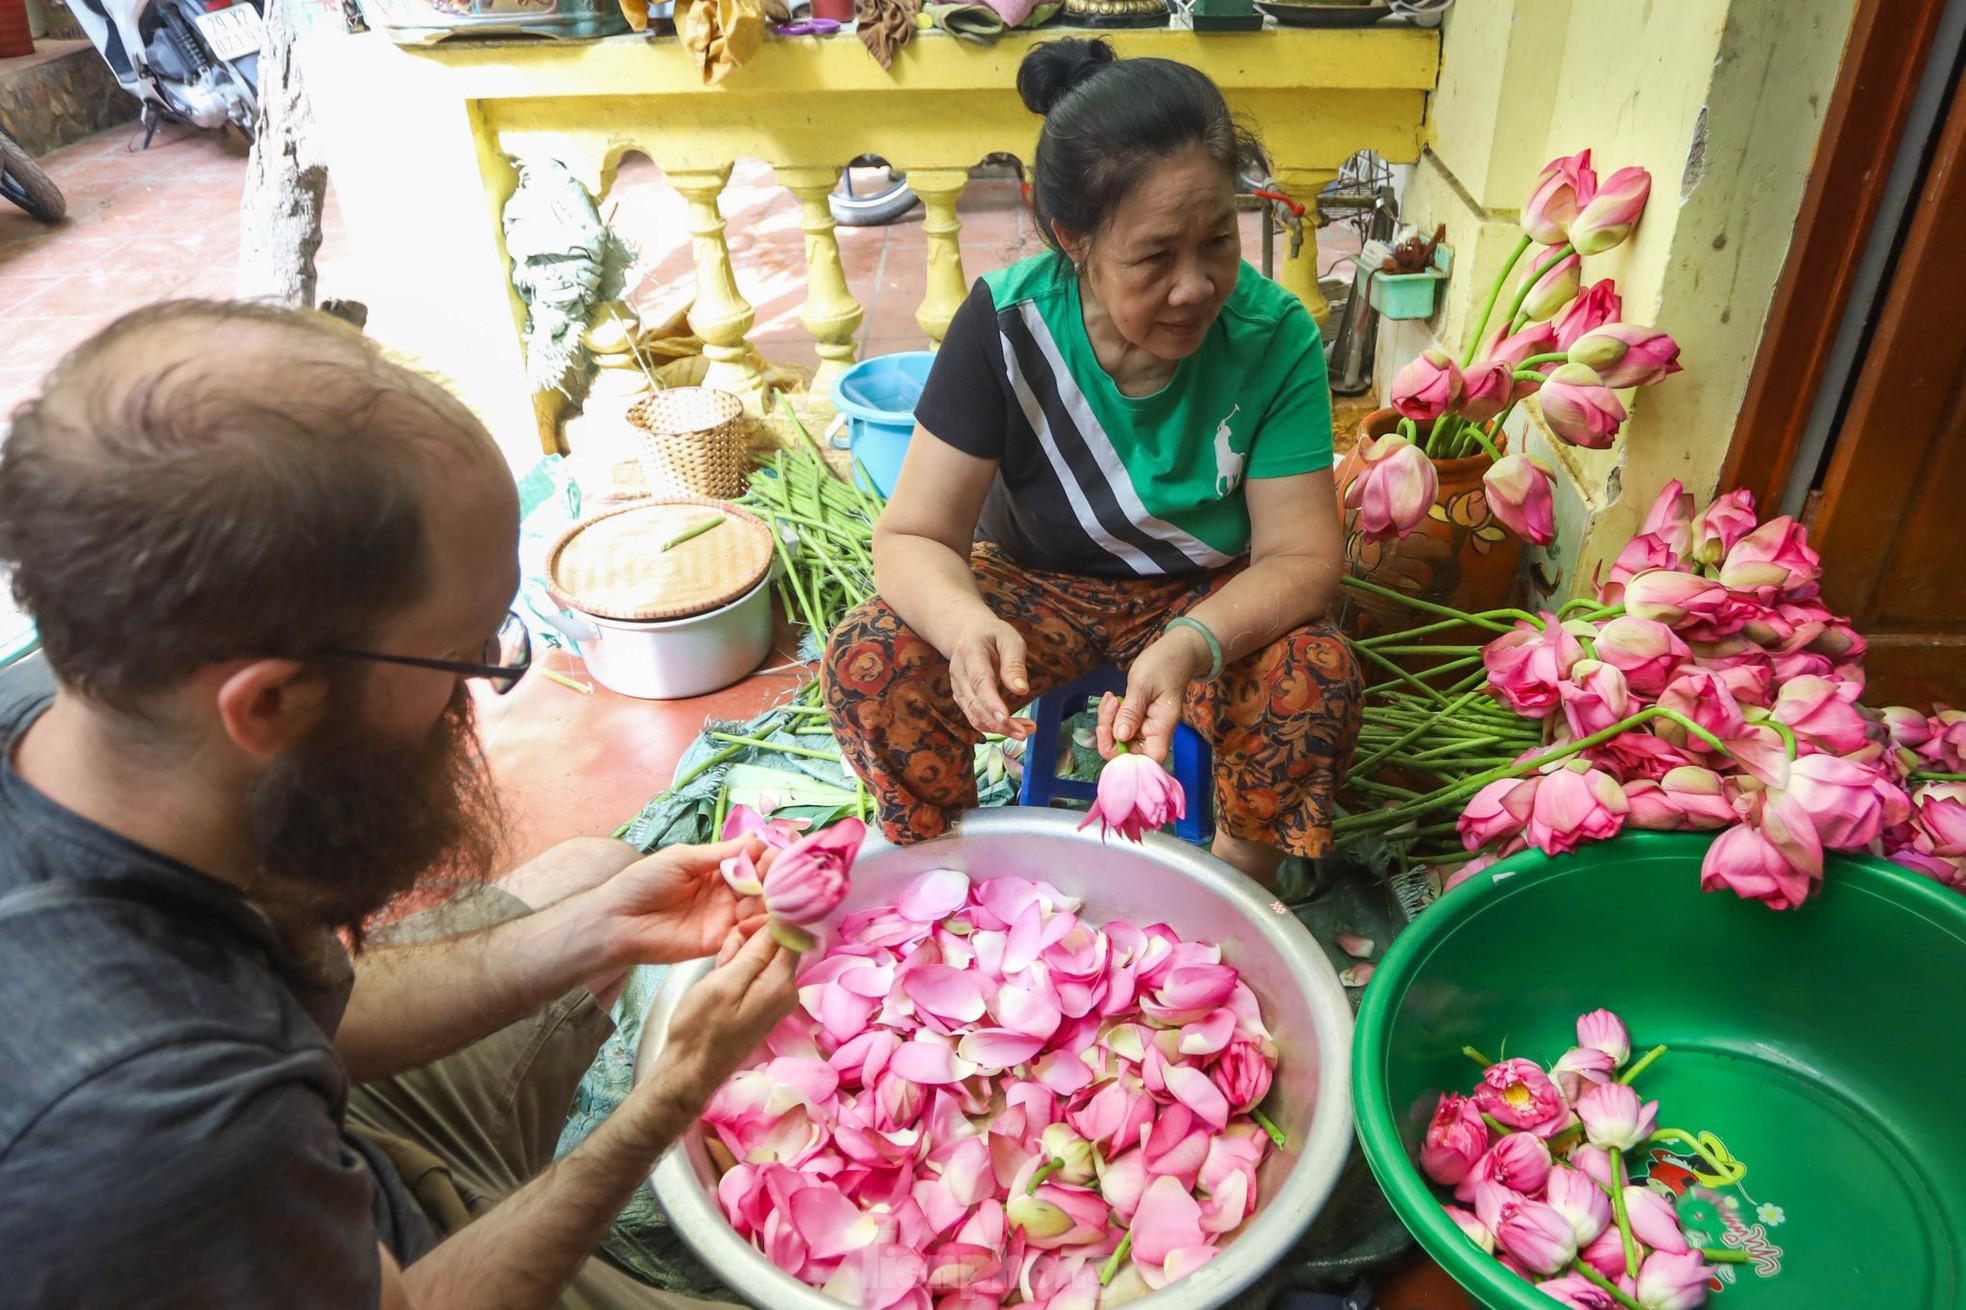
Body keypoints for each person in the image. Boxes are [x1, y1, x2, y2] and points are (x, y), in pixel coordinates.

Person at [0, 301, 800, 1310]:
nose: (475, 689)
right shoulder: (148, 1120)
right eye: (465, 652)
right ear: (272, 702)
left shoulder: (78, 702)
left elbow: (306, 1010)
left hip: (318, 1166)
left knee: (590, 877)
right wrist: (666, 1096)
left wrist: (591, 934)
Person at [824, 38, 1363, 887]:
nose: (1196, 286)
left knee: (1313, 674)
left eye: (1219, 240)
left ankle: (1240, 880)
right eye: (1155, 257)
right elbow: (914, 534)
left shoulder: (1277, 337)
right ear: (1073, 238)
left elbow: (1302, 559)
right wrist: (966, 627)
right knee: (874, 663)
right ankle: (942, 874)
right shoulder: (1008, 326)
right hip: (1039, 585)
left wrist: (1194, 641)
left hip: (1207, 590)